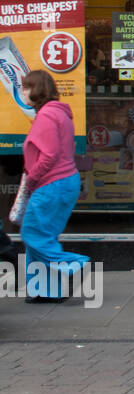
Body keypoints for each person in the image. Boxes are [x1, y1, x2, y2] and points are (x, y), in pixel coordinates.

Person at [18, 69, 88, 303]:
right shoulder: (59, 113)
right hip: (63, 182)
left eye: (26, 87)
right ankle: (46, 290)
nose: (22, 92)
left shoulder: (47, 116)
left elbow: (48, 156)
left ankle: (73, 264)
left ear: (36, 90)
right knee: (44, 236)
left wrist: (32, 180)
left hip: (51, 184)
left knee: (32, 234)